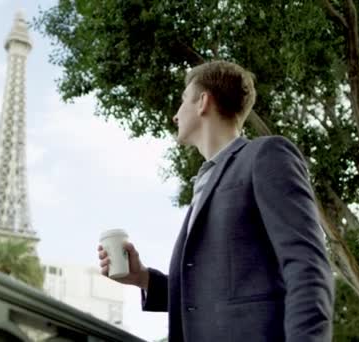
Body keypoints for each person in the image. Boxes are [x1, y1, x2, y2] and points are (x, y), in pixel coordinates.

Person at [98, 61, 333, 341]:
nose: (175, 115)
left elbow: (307, 266)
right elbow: (208, 298)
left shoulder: (266, 156)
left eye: (183, 101)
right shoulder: (204, 182)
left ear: (203, 102)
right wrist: (143, 279)